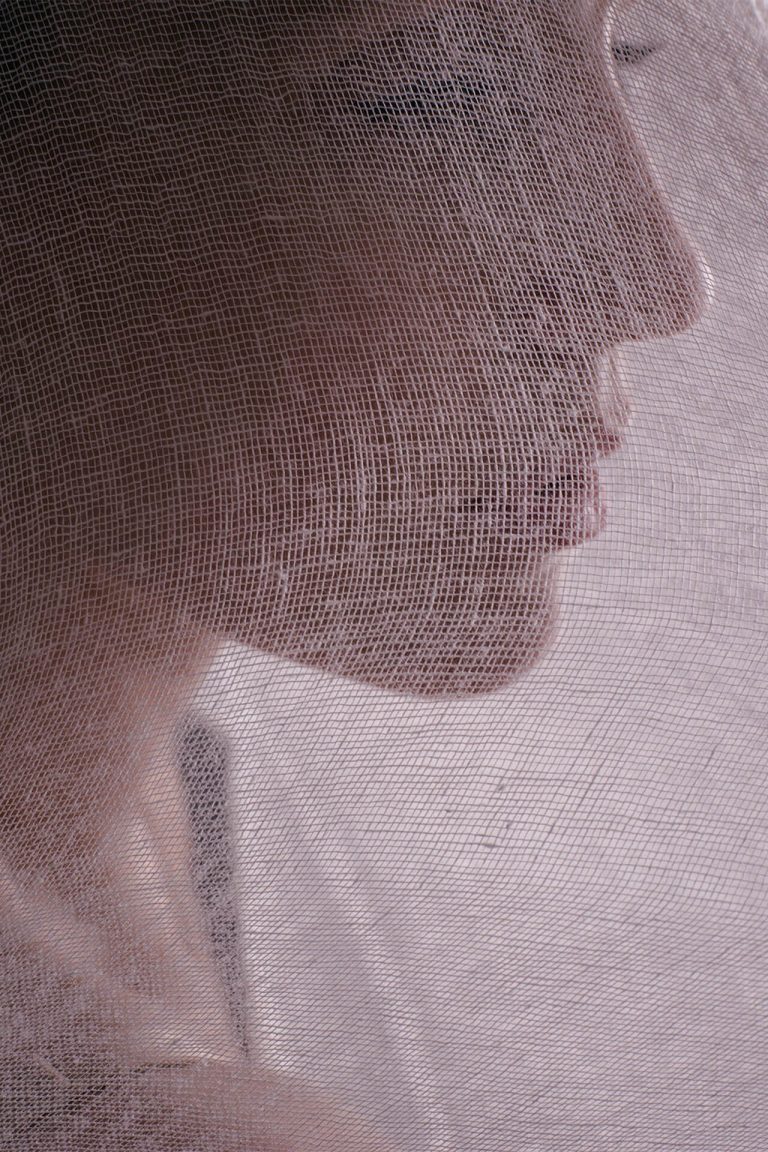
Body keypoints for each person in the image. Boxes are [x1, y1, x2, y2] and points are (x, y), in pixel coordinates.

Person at [0, 0, 709, 1146]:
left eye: (623, 56)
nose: (662, 282)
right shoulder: (109, 1114)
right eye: (437, 94)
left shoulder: (167, 787)